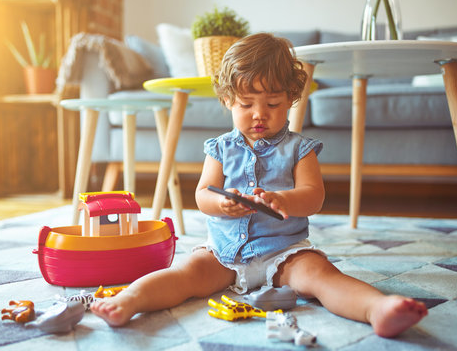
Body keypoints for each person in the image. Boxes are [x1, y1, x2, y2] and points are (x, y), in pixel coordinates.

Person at [91, 33, 427, 338]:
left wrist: (284, 199)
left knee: (323, 276)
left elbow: (314, 197)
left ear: (291, 99)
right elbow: (203, 193)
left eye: (272, 104)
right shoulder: (219, 148)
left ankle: (377, 309)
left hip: (285, 253)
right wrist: (221, 204)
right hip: (224, 254)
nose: (259, 114)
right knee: (185, 274)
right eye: (246, 104)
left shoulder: (300, 148)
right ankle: (129, 300)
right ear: (226, 101)